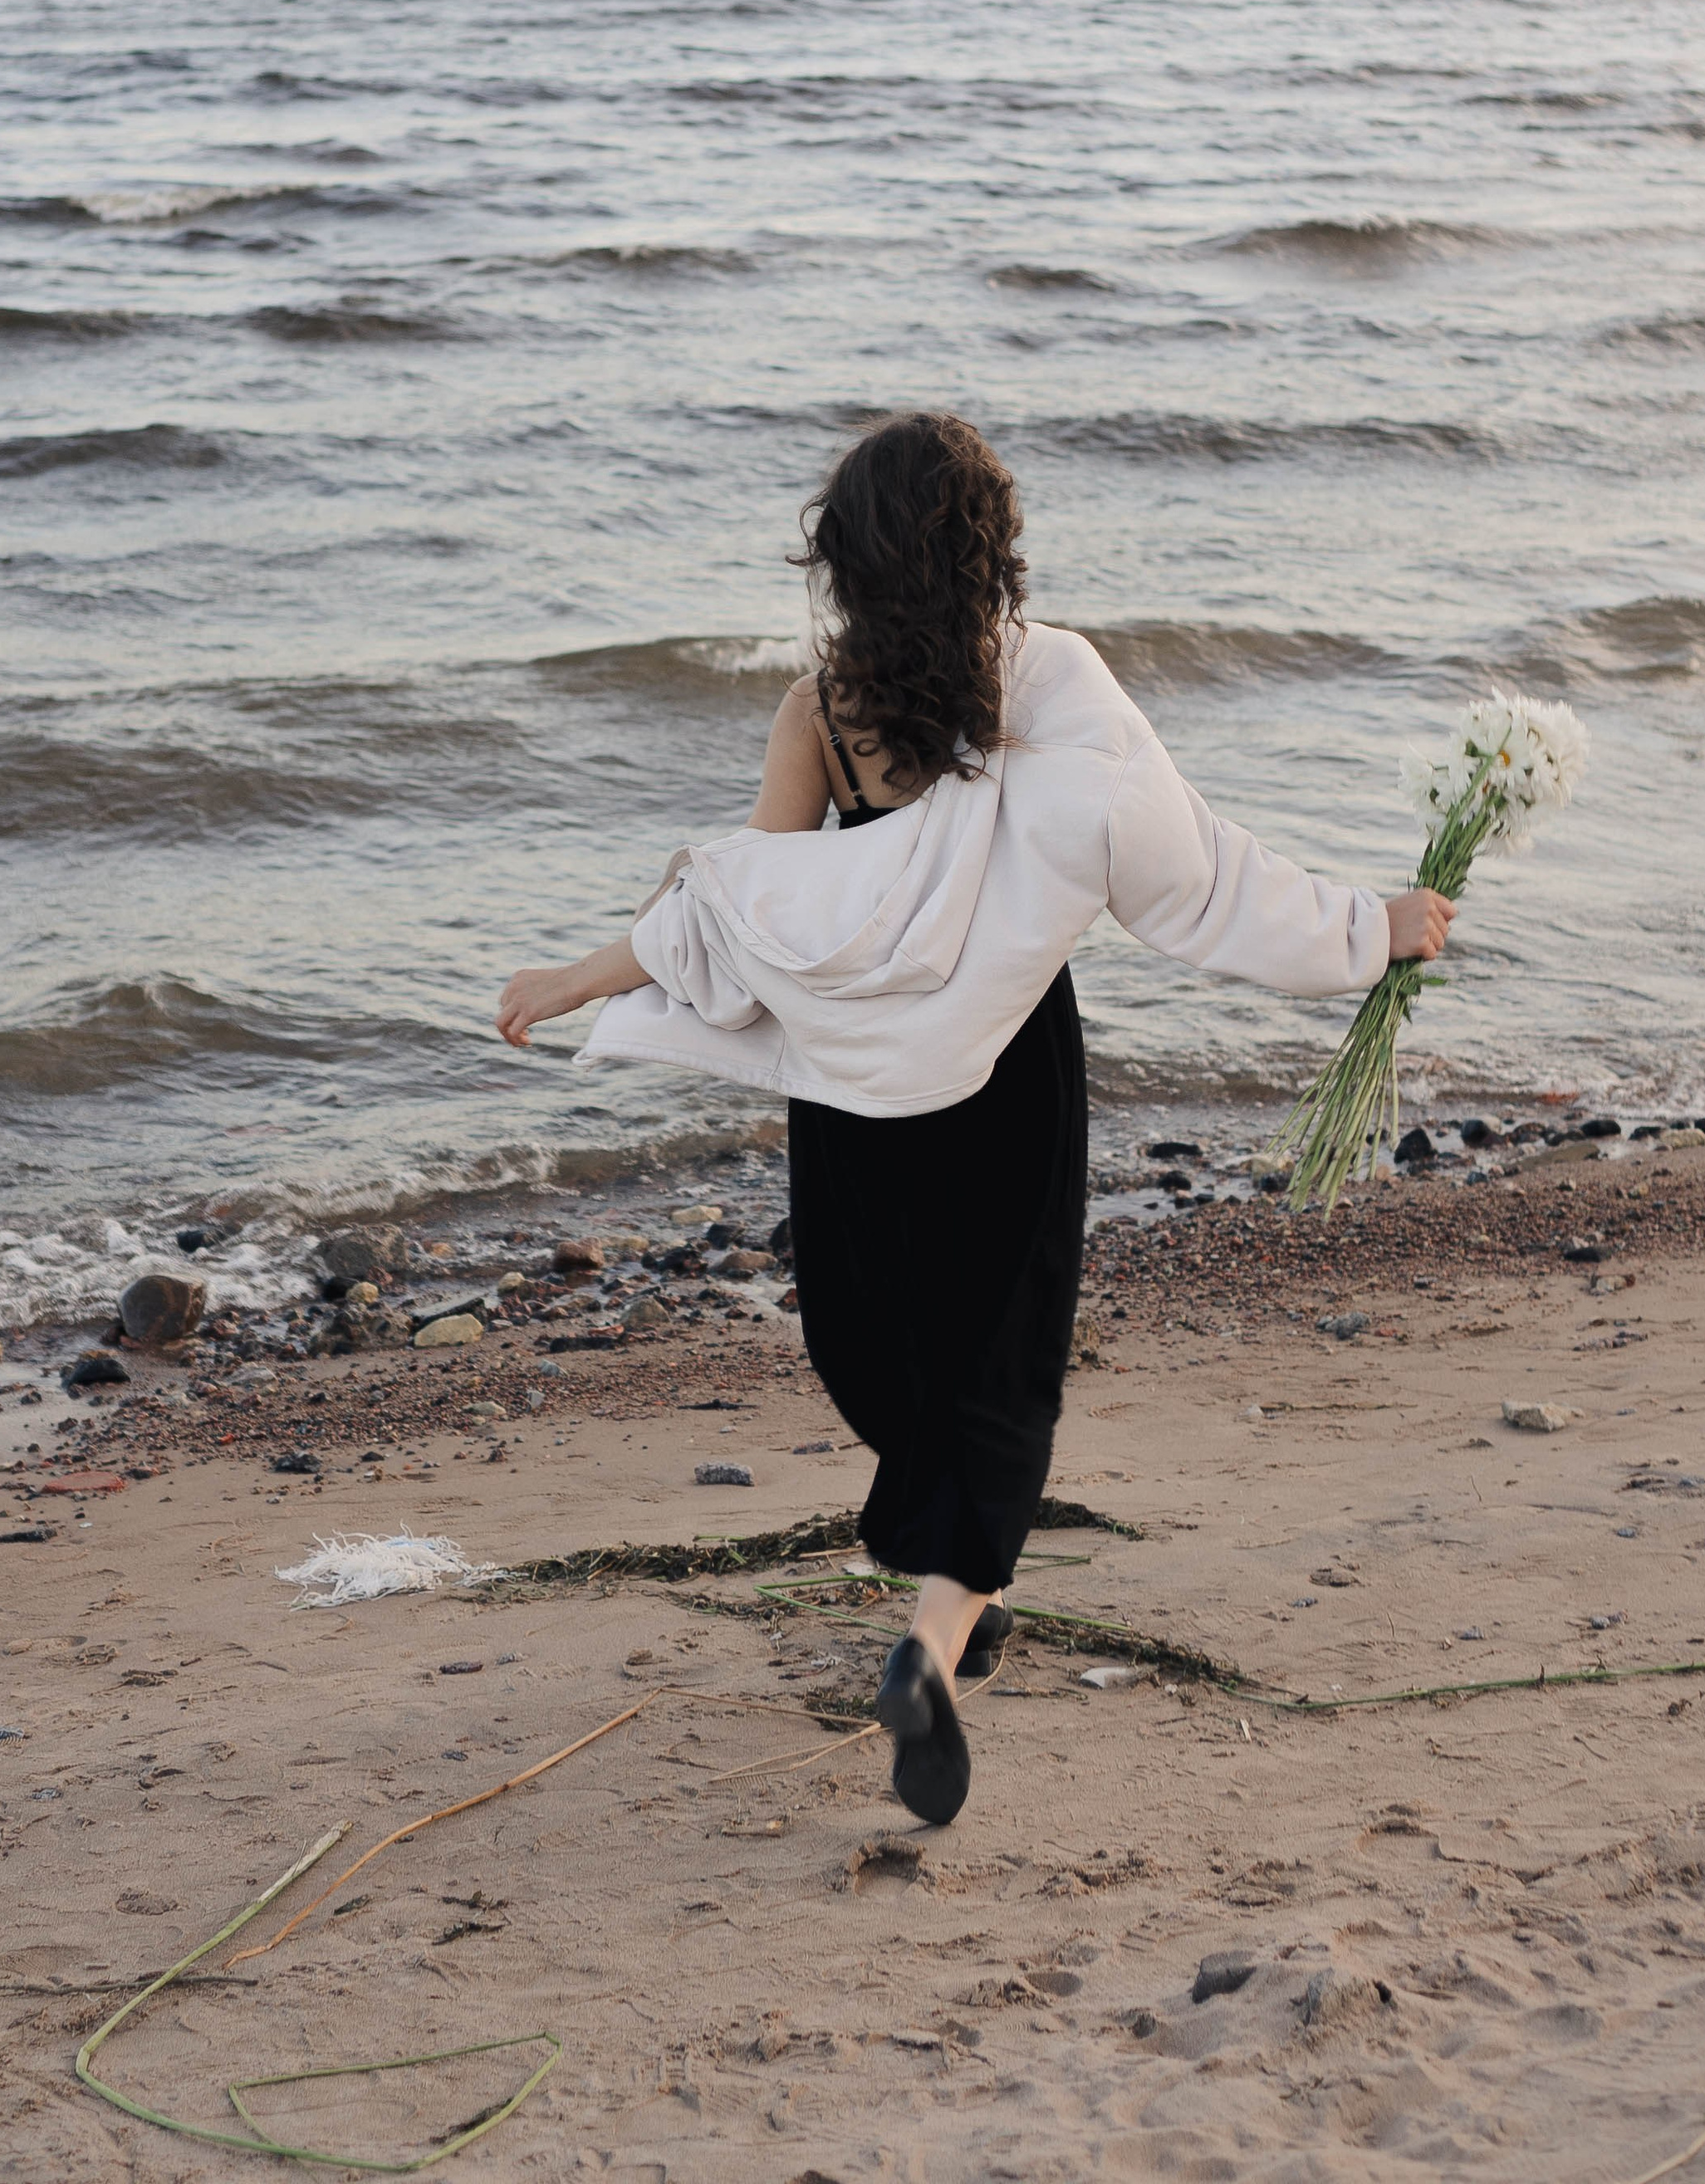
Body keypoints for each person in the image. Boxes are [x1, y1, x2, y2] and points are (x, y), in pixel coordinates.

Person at [496, 411, 1453, 1826]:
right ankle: (937, 1644)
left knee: (880, 1348)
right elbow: (1198, 881)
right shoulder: (1046, 692)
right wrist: (1374, 930)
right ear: (987, 551)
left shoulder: (821, 713)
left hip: (856, 1094)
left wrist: (579, 979)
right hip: (1006, 1074)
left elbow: (751, 907)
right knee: (1002, 1367)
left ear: (847, 564)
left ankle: (956, 1600)